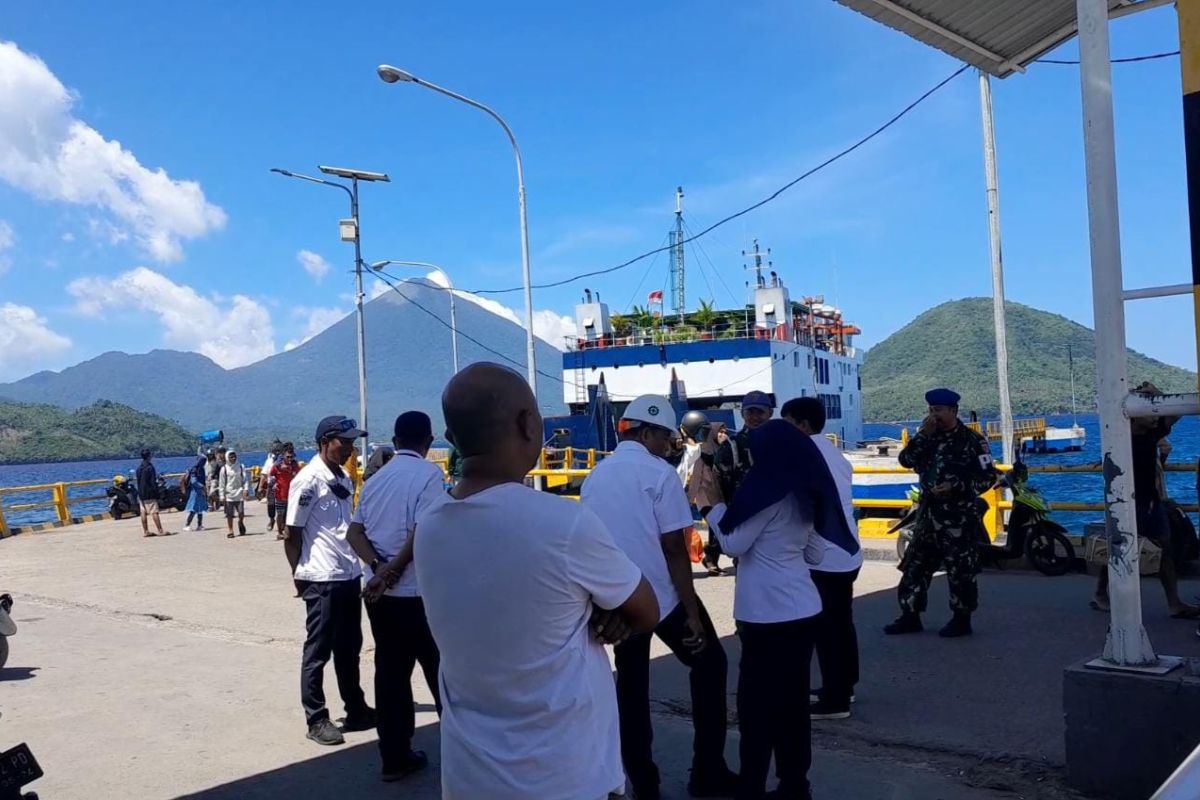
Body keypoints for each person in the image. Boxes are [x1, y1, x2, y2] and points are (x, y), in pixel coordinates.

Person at [414, 363, 660, 800]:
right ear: (529, 424)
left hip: (470, 778)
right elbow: (644, 610)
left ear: (451, 440)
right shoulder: (564, 524)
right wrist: (605, 612)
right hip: (566, 777)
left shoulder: (429, 528)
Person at [581, 395, 737, 800]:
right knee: (710, 665)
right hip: (663, 598)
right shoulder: (659, 474)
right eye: (665, 436)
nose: (669, 444)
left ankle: (643, 785)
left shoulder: (597, 476)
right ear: (648, 432)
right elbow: (674, 548)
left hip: (617, 598)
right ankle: (707, 772)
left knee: (631, 690)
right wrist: (692, 612)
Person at [706, 419, 858, 800]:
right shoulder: (802, 494)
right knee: (793, 706)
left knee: (756, 707)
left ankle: (752, 784)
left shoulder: (765, 491)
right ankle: (795, 785)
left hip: (764, 615)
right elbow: (816, 551)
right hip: (802, 609)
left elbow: (732, 543)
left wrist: (711, 506)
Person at [346, 411, 444, 782]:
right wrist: (394, 569)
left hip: (380, 597)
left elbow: (354, 533)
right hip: (419, 595)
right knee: (442, 676)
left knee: (390, 677)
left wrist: (377, 567)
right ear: (429, 441)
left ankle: (394, 756)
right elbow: (425, 531)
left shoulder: (375, 480)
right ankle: (463, 755)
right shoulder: (429, 476)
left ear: (396, 439)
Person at [285, 416, 376, 746]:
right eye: (345, 442)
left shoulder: (342, 476)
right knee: (318, 650)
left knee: (349, 647)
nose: (351, 449)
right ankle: (317, 718)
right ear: (326, 441)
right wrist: (300, 576)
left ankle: (356, 707)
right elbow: (291, 534)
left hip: (348, 573)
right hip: (321, 576)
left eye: (353, 443)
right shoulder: (307, 481)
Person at [885, 388, 997, 638]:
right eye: (931, 410)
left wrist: (956, 486)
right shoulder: (928, 437)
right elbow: (906, 460)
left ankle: (961, 618)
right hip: (928, 514)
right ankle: (910, 615)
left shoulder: (972, 441)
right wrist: (923, 435)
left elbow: (988, 477)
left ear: (953, 411)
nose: (934, 415)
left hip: (957, 515)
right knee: (915, 566)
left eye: (939, 411)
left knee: (960, 570)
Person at [781, 397, 862, 721]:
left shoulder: (804, 454)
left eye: (787, 423)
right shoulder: (833, 452)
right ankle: (846, 685)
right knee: (842, 623)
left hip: (825, 552)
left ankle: (835, 699)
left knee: (826, 628)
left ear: (802, 424)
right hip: (847, 549)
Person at [1091, 382, 1198, 620]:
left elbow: (1177, 410)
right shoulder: (1118, 437)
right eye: (1146, 412)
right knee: (1119, 548)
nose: (1152, 417)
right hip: (1125, 502)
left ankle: (1174, 602)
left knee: (1165, 549)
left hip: (1151, 500)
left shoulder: (1152, 433)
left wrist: (1156, 392)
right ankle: (1100, 592)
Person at [269, 444, 301, 541]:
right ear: (283, 455)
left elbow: (300, 477)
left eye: (291, 457)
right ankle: (279, 532)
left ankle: (288, 531)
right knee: (280, 514)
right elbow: (271, 476)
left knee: (290, 514)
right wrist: (273, 484)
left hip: (292, 495)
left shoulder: (295, 465)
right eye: (288, 457)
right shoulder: (277, 466)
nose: (290, 459)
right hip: (280, 494)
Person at [135, 449, 167, 538]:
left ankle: (146, 531)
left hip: (141, 493)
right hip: (149, 493)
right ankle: (160, 530)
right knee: (154, 512)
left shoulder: (139, 468)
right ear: (149, 456)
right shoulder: (150, 467)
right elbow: (153, 482)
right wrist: (156, 493)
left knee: (143, 512)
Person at [219, 450, 248, 538]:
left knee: (241, 512)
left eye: (234, 456)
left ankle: (240, 522)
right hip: (229, 495)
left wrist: (245, 489)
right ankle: (230, 530)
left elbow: (245, 479)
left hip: (239, 493)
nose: (233, 458)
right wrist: (221, 495)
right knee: (230, 514)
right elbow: (222, 483)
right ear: (227, 458)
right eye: (231, 457)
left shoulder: (241, 466)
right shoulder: (224, 469)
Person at [261, 440, 283, 532]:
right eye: (275, 449)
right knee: (271, 505)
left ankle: (281, 523)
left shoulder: (285, 461)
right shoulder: (269, 461)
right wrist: (260, 486)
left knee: (282, 505)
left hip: (282, 486)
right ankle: (271, 519)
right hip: (271, 486)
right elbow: (264, 474)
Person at [183, 455, 208, 531]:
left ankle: (199, 525)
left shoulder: (201, 469)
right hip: (195, 492)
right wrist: (202, 486)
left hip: (200, 492)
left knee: (200, 509)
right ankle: (187, 524)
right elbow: (194, 481)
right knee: (193, 509)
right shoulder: (194, 469)